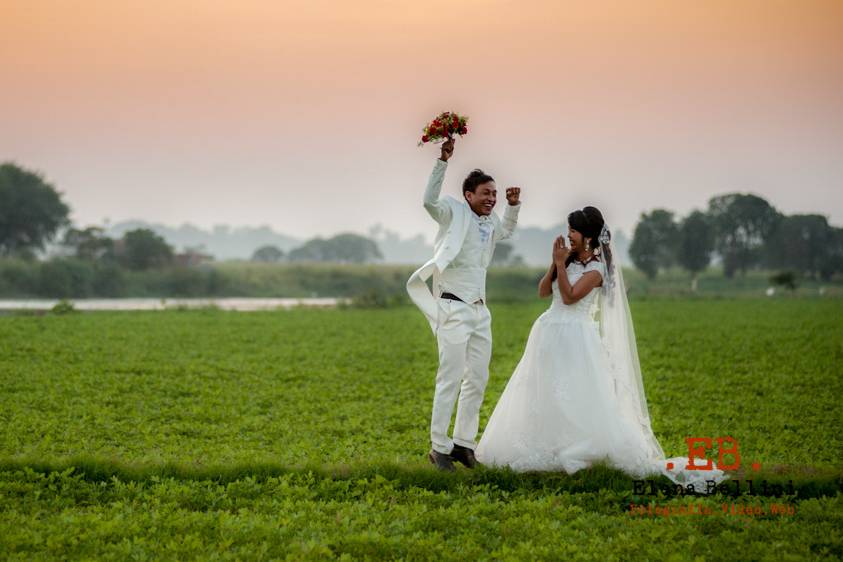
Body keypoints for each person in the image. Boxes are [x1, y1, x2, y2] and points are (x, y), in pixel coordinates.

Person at [475, 206, 727, 491]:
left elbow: (570, 298)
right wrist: (555, 263)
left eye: (573, 230)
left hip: (576, 335)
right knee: (543, 388)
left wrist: (560, 265)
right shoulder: (566, 258)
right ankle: (546, 444)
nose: (568, 235)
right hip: (548, 331)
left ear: (588, 237)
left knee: (573, 391)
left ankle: (576, 446)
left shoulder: (596, 269)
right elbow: (544, 291)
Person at [407, 136, 522, 471]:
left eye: (495, 194)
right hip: (452, 307)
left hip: (480, 309)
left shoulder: (491, 222)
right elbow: (428, 201)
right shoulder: (452, 212)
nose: (492, 199)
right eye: (486, 194)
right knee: (451, 377)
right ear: (468, 195)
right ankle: (438, 448)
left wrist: (512, 207)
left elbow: (507, 232)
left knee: (478, 378)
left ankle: (463, 444)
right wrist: (442, 161)